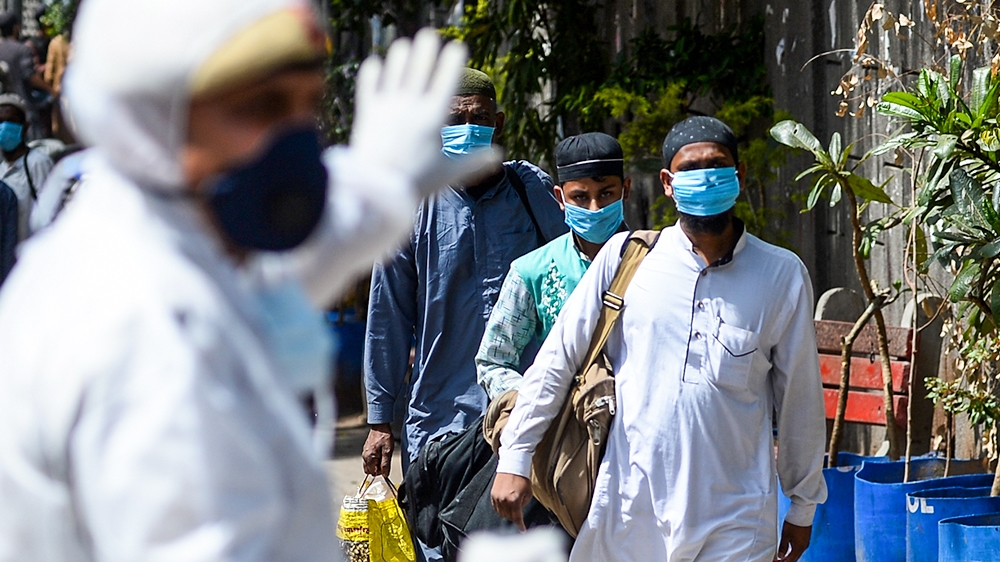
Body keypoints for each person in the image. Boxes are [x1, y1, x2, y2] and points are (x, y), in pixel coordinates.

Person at [0, 0, 495, 558]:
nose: (294, 144)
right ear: (154, 110)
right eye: (261, 107)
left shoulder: (179, 237)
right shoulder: (143, 331)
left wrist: (381, 184)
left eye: (307, 107)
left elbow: (301, 256)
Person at [492, 116, 827, 562]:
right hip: (628, 514)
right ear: (668, 183)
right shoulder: (625, 260)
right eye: (690, 168)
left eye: (717, 164)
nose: (704, 176)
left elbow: (800, 401)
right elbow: (556, 362)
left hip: (736, 522)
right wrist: (515, 457)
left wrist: (802, 504)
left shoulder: (781, 274)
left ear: (739, 176)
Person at [362, 68, 566, 559]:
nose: (468, 129)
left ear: (498, 124)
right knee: (439, 544)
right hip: (441, 418)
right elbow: (387, 315)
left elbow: (576, 271)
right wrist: (378, 419)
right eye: (455, 121)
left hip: (526, 412)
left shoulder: (529, 190)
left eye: (478, 119)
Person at [476, 132, 630, 400]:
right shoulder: (532, 271)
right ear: (560, 198)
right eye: (580, 197)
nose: (594, 208)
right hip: (568, 431)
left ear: (625, 190)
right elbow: (493, 361)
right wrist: (541, 402)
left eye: (606, 194)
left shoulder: (655, 261)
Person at [0, 93, 53, 241]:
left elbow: (51, 213)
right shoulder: (2, 169)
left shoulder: (37, 163)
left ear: (25, 127)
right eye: (0, 122)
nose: (4, 127)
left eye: (10, 121)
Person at [0, 12, 55, 140]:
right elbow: (31, 77)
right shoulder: (22, 50)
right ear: (15, 28)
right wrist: (51, 90)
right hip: (24, 108)